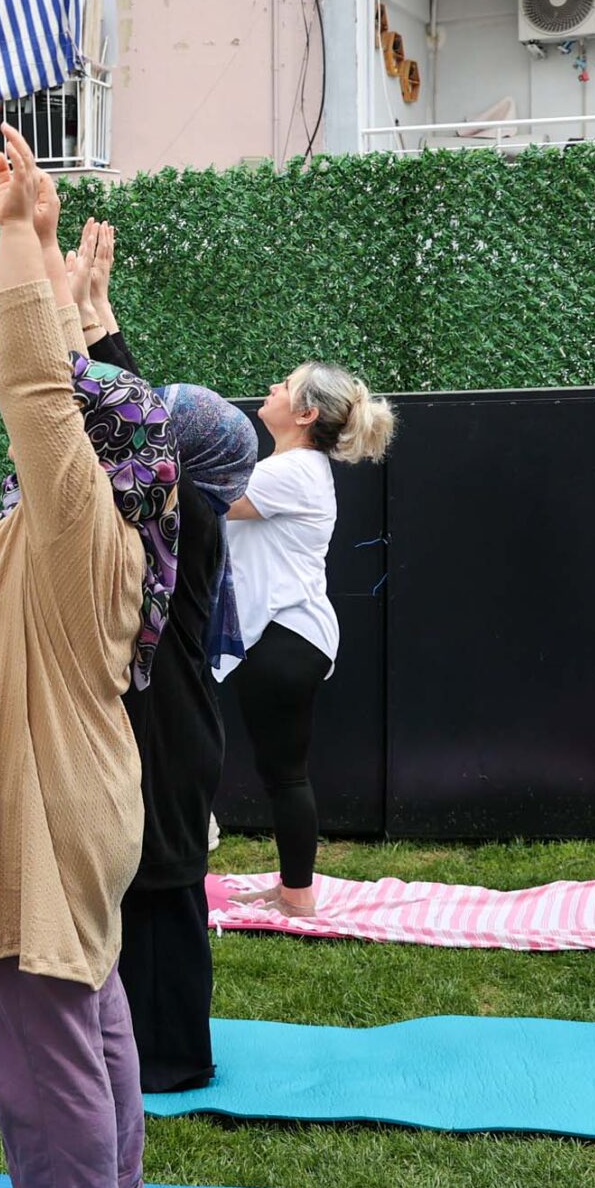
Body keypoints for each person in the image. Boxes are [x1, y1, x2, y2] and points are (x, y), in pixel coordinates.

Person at [0, 125, 177, 1188]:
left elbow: (33, 383)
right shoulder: (97, 525)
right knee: (86, 1011)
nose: (46, 432)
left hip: (40, 817)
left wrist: (17, 238)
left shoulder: (78, 529)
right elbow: (67, 385)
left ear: (86, 454)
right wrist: (61, 265)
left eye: (71, 427)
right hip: (66, 808)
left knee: (34, 1044)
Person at [69, 216, 258, 1093]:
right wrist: (95, 312)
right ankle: (150, 1046)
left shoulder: (188, 522)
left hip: (171, 742)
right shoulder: (192, 511)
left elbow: (133, 433)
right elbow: (143, 424)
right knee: (152, 889)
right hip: (175, 732)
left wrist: (80, 329)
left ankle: (173, 1057)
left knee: (166, 892)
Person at [216, 360, 394, 916]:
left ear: (306, 413)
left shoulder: (292, 472)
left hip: (285, 638)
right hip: (284, 638)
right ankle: (294, 889)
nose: (273, 387)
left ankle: (298, 896)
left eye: (286, 385)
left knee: (285, 772)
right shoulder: (289, 467)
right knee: (280, 771)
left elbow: (207, 501)